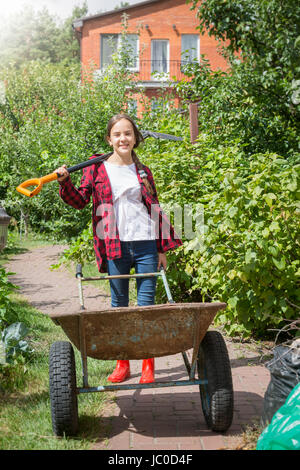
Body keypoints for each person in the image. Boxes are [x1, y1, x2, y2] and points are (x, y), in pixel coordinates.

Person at [55, 113, 182, 384]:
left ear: (135, 139)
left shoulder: (143, 171)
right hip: (114, 246)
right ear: (109, 139)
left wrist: (161, 249)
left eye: (128, 133)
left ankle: (148, 364)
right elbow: (79, 201)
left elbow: (155, 210)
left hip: (146, 243)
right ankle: (122, 364)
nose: (123, 138)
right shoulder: (96, 168)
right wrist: (65, 182)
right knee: (119, 307)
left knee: (146, 307)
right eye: (117, 134)